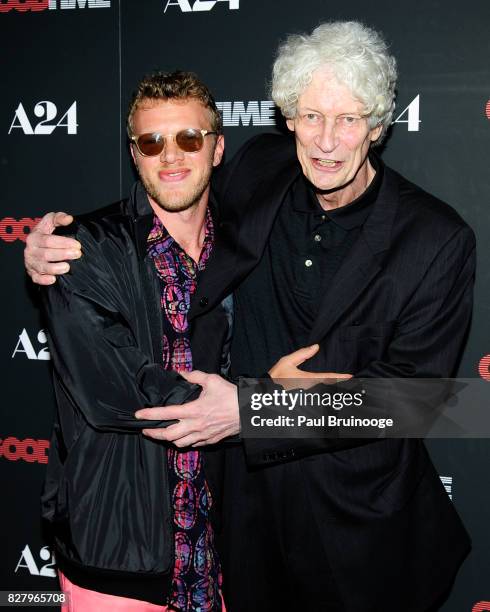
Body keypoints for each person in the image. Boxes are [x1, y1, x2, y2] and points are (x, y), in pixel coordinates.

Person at [25, 21, 475, 612]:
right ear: (287, 119)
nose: (326, 142)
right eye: (311, 116)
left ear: (379, 125)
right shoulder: (261, 167)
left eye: (348, 119)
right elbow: (168, 200)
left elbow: (412, 401)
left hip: (359, 531)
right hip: (242, 524)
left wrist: (251, 408)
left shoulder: (436, 238)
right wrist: (53, 243)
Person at [36, 70, 237, 612]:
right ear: (135, 154)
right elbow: (115, 390)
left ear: (216, 149)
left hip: (218, 555)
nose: (171, 156)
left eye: (189, 138)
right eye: (152, 142)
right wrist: (251, 406)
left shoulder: (243, 251)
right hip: (118, 560)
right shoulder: (79, 251)